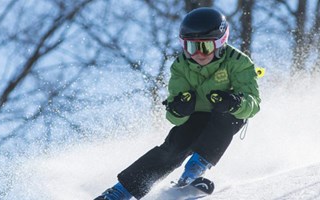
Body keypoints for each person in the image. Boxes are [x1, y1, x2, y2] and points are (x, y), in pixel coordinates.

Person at [95, 7, 261, 200]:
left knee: (225, 119)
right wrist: (179, 109)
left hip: (227, 114)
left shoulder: (238, 62)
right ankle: (119, 192)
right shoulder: (181, 65)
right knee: (173, 148)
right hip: (196, 117)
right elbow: (173, 116)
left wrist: (235, 103)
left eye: (205, 46)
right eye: (191, 47)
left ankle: (194, 171)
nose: (198, 53)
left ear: (220, 42)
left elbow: (254, 103)